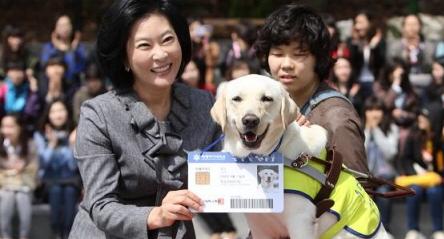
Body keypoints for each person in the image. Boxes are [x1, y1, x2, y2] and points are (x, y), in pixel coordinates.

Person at [68, 0, 220, 238]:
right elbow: (101, 205)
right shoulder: (98, 115)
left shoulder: (205, 104)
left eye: (168, 40)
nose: (160, 54)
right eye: (144, 45)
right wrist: (158, 215)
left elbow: (235, 165)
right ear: (125, 58)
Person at [254, 4, 369, 173]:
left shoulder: (337, 119)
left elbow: (360, 193)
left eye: (299, 54)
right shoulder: (269, 105)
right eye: (278, 54)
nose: (286, 64)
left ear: (319, 58)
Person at [34, 99, 79, 239]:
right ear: (48, 115)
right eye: (53, 111)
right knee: (56, 190)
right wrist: (51, 145)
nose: (58, 115)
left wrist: (72, 145)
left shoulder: (74, 133)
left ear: (67, 113)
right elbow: (42, 164)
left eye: (61, 110)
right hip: (49, 183)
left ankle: (67, 234)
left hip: (70, 181)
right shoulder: (40, 135)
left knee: (70, 191)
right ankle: (56, 233)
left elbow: (73, 166)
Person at [363, 97, 399, 238]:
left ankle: (385, 230)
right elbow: (360, 153)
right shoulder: (361, 130)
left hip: (386, 177)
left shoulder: (391, 128)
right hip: (367, 177)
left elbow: (391, 153)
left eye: (378, 110)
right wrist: (367, 130)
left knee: (384, 193)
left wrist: (376, 130)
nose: (374, 114)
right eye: (370, 110)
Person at [0, 113, 38, 239]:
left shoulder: (30, 144)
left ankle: (24, 236)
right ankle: (5, 235)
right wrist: (15, 171)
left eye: (11, 126)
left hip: (24, 185)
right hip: (4, 187)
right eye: (4, 126)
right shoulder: (1, 146)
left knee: (22, 197)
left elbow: (34, 169)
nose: (7, 130)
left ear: (19, 127)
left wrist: (13, 171)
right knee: (7, 196)